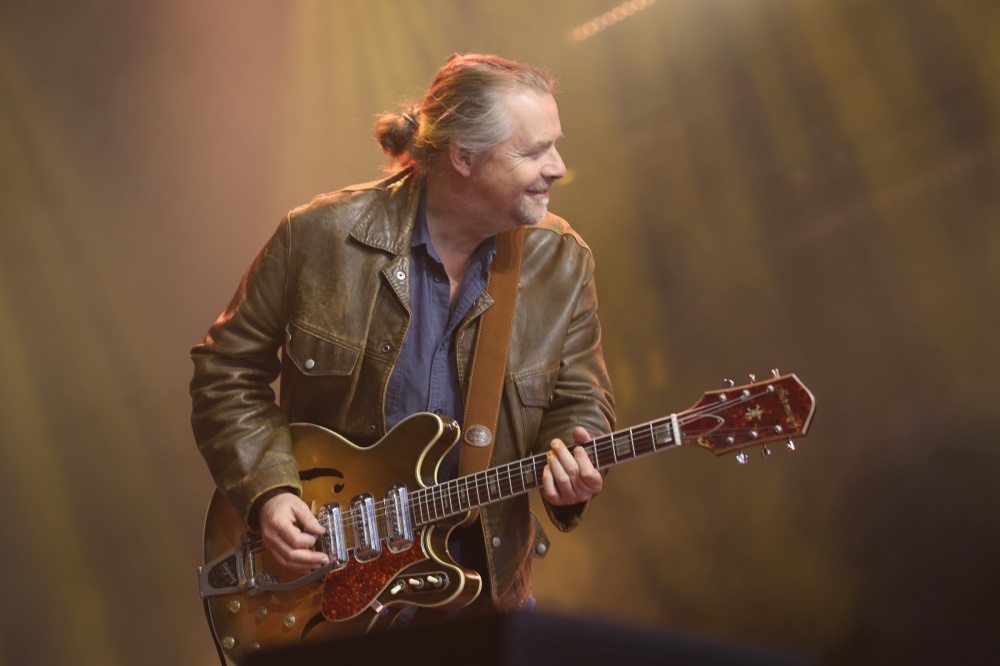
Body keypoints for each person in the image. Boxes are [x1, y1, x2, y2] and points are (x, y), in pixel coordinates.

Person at [190, 53, 615, 621]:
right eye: (534, 151)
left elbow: (581, 400)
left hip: (478, 589)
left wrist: (574, 459)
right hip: (326, 581)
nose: (558, 167)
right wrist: (270, 491)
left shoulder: (562, 262)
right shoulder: (318, 235)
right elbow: (225, 373)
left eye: (555, 145)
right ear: (463, 157)